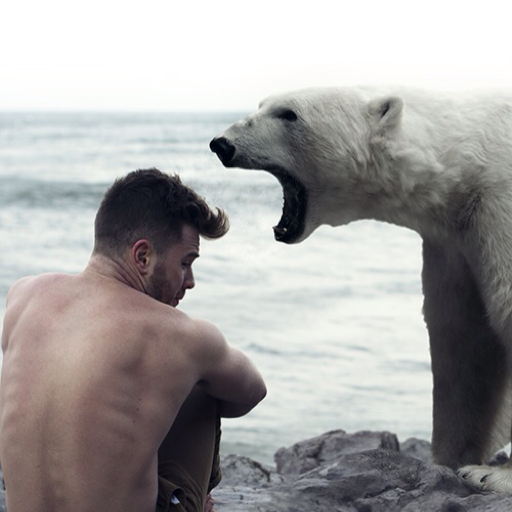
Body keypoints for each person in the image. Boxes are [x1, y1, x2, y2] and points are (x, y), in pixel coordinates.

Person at [0, 168, 267, 512]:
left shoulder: (23, 296)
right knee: (203, 385)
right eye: (186, 263)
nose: (190, 282)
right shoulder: (178, 336)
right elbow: (251, 392)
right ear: (143, 257)